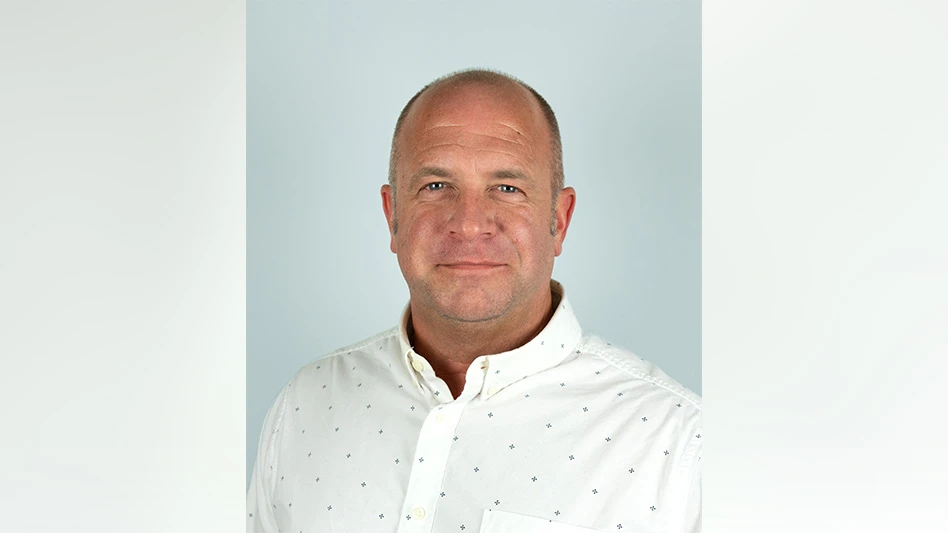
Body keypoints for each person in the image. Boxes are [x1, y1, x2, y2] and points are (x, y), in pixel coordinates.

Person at [247, 69, 702, 533]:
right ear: (392, 216)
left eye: (507, 189)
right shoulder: (303, 405)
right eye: (435, 186)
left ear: (559, 221)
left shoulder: (679, 443)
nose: (468, 223)